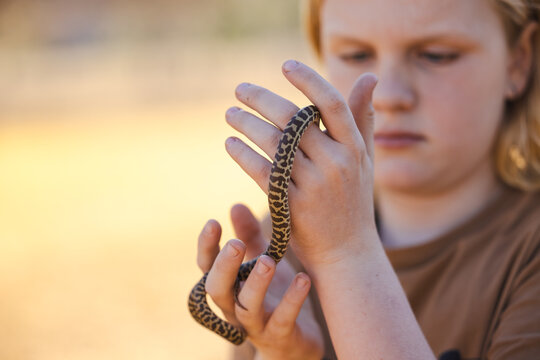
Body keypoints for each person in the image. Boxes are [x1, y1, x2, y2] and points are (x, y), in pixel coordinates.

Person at [195, 0, 540, 359]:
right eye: (356, 54)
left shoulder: (528, 256)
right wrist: (287, 355)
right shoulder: (293, 235)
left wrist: (348, 255)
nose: (389, 95)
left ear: (519, 61)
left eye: (437, 55)